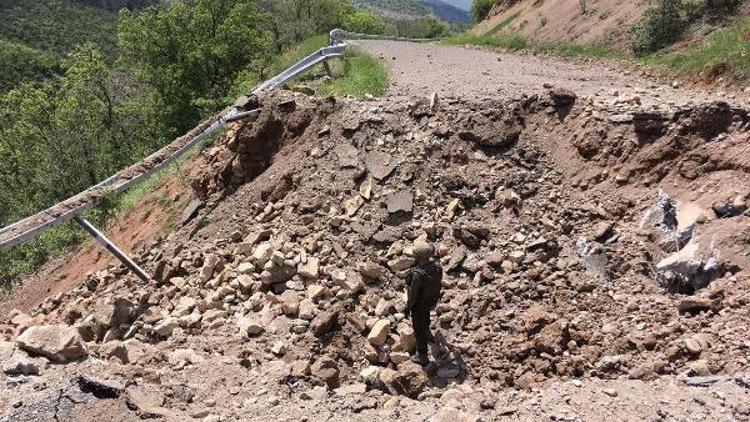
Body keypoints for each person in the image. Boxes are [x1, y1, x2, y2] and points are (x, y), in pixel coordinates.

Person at [404, 239, 443, 365]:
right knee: (425, 318)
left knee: (418, 329)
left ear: (419, 257)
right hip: (430, 300)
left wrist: (407, 308)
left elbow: (413, 295)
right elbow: (438, 285)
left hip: (419, 304)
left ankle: (422, 355)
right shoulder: (437, 267)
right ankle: (428, 333)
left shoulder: (418, 274)